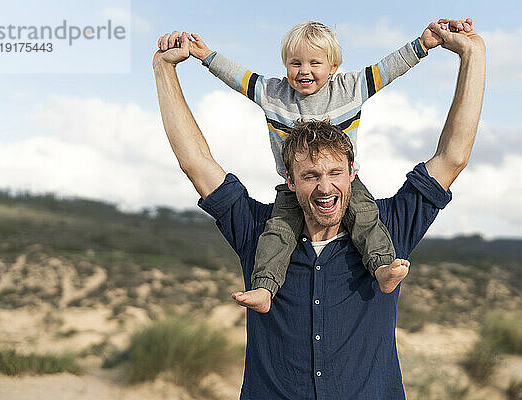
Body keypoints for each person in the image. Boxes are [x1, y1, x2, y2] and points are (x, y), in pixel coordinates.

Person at [153, 17, 485, 399]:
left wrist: (473, 55)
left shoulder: (387, 227)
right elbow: (196, 162)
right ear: (290, 182)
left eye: (334, 172)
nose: (325, 187)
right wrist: (165, 69)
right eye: (310, 175)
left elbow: (453, 156)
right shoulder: (260, 231)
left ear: (352, 172)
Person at [158, 20, 446, 313]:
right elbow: (238, 77)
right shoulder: (273, 94)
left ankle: (382, 268)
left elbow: (389, 68)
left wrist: (421, 45)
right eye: (295, 63)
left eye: (314, 63)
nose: (304, 70)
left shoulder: (350, 89)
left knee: (365, 217)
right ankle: (264, 287)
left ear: (334, 66)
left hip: (345, 185)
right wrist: (205, 55)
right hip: (294, 187)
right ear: (285, 65)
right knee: (278, 231)